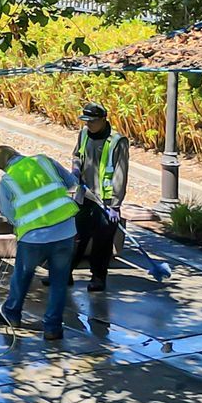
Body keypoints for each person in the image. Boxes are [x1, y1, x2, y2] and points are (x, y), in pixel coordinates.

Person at [0, 144, 80, 341]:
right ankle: (53, 328)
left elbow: (8, 213)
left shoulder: (7, 181)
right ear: (16, 153)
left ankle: (12, 313)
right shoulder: (44, 161)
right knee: (59, 282)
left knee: (22, 275)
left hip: (34, 237)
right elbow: (72, 182)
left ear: (1, 166)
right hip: (65, 230)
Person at [72, 103, 127, 290]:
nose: (88, 125)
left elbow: (120, 173)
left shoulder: (117, 141)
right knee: (77, 235)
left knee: (102, 241)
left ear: (103, 119)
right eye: (86, 121)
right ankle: (65, 272)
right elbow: (76, 155)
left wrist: (116, 205)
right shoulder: (83, 134)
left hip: (106, 200)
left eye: (92, 121)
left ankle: (97, 277)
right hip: (84, 195)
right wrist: (76, 167)